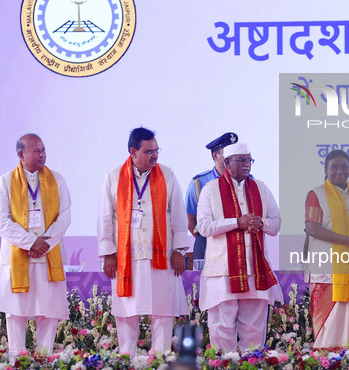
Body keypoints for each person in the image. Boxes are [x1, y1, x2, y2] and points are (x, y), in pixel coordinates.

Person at [97, 127, 189, 355]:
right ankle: (127, 357)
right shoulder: (113, 176)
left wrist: (179, 250)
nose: (155, 156)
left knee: (163, 311)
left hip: (162, 257)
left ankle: (160, 357)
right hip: (126, 257)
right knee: (127, 310)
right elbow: (105, 218)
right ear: (133, 152)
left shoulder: (167, 174)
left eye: (157, 151)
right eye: (149, 152)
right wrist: (108, 252)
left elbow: (178, 214)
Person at [197, 142, 282, 352]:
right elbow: (204, 227)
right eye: (241, 160)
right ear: (227, 162)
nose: (247, 164)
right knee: (222, 326)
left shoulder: (261, 188)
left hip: (255, 269)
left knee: (254, 327)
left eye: (249, 160)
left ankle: (251, 364)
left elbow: (275, 223)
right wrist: (237, 222)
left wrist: (261, 223)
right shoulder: (210, 189)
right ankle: (223, 365)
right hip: (223, 271)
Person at [0, 133, 71, 357]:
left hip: (48, 255)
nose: (42, 154)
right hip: (17, 255)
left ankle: (44, 357)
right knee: (15, 312)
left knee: (48, 311)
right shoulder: (4, 181)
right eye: (37, 151)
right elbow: (0, 220)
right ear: (21, 154)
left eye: (43, 150)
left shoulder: (57, 179)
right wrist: (30, 242)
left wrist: (44, 243)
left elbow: (65, 216)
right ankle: (18, 359)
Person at [304, 149, 349, 349]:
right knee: (331, 323)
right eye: (334, 167)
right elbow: (311, 228)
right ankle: (329, 362)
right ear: (326, 169)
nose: (339, 171)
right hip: (326, 272)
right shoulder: (316, 194)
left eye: (344, 167)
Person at [185, 132, 238, 270]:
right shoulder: (199, 182)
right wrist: (211, 238)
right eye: (228, 152)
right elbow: (191, 220)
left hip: (237, 242)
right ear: (215, 155)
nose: (233, 156)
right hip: (207, 243)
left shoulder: (246, 180)